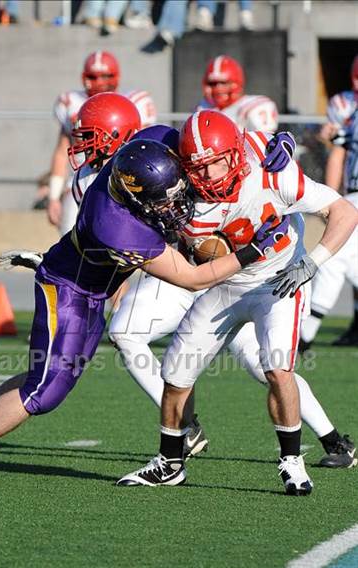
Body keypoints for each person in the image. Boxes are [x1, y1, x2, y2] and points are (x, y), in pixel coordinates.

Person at [0, 126, 289, 488]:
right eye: (161, 201)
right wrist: (254, 251)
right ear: (136, 200)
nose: (173, 204)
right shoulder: (117, 225)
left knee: (41, 379)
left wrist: (268, 140)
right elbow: (193, 279)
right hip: (70, 291)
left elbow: (203, 137)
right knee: (46, 391)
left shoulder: (150, 151)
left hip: (93, 288)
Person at [117, 110, 358, 494]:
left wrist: (312, 263)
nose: (210, 176)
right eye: (200, 168)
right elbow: (186, 260)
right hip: (222, 284)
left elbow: (344, 211)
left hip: (279, 280)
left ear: (235, 153)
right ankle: (170, 462)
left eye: (217, 163)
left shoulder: (271, 169)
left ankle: (292, 461)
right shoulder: (182, 191)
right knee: (176, 373)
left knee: (278, 368)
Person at [48, 51, 157, 236]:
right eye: (93, 76)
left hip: (125, 185)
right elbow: (62, 152)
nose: (99, 81)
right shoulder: (72, 103)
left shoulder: (133, 104)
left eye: (105, 76)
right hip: (81, 180)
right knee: (72, 243)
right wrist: (53, 197)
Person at [300, 55, 358, 349]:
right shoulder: (351, 113)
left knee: (335, 257)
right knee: (342, 257)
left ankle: (306, 333)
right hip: (355, 195)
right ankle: (307, 332)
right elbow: (339, 150)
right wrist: (333, 200)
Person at [197, 55, 278, 132]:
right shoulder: (203, 107)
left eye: (223, 83)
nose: (218, 88)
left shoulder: (256, 106)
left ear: (236, 82)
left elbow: (264, 143)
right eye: (213, 83)